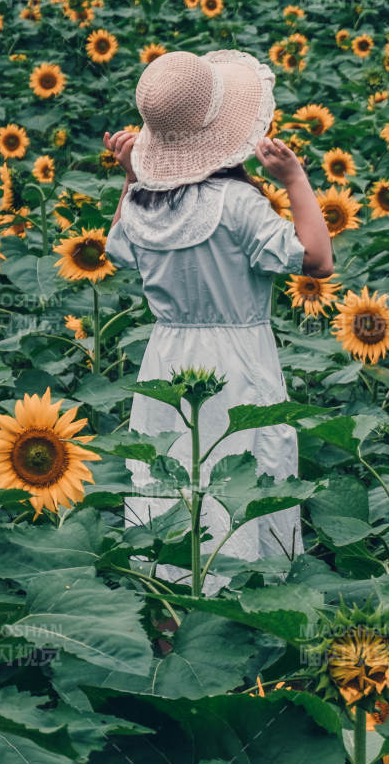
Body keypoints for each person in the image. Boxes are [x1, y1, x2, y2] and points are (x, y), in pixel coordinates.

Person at [101, 48, 332, 595]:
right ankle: (253, 598)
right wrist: (295, 179)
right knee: (246, 470)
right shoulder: (238, 204)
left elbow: (115, 250)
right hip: (240, 360)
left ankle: (171, 601)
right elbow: (318, 260)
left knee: (171, 472)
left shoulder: (142, 204)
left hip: (166, 359)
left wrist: (132, 177)